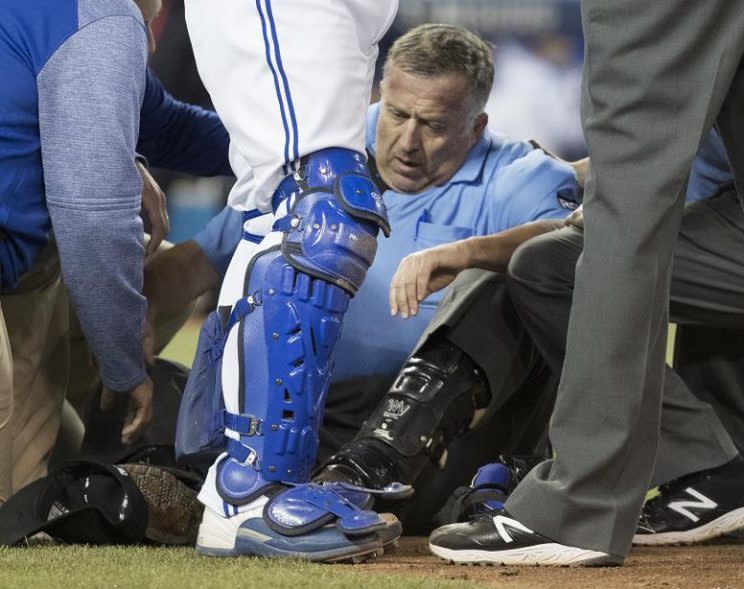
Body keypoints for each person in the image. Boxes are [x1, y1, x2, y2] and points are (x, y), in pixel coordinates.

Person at [159, 23, 580, 531]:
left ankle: (371, 473)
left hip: (442, 439)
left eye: (434, 125)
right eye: (397, 114)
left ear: (476, 127)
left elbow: (567, 245)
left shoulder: (518, 176)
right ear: (381, 93)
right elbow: (197, 261)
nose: (407, 141)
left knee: (497, 280)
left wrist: (465, 254)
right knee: (162, 385)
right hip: (310, 417)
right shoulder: (327, 155)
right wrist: (120, 340)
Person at [0, 0, 162, 506]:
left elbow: (173, 125)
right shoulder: (100, 14)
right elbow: (94, 217)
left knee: (35, 489)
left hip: (18, 281)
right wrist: (124, 365)